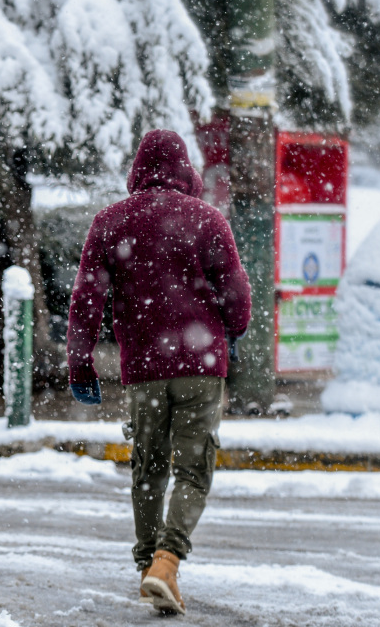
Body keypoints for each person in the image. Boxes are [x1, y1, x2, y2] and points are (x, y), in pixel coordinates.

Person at [66, 130, 252, 615]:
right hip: (200, 365)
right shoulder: (208, 220)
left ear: (138, 169)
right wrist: (231, 328)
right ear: (185, 169)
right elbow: (238, 299)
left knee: (148, 469)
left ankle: (149, 564)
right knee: (193, 467)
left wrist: (81, 361)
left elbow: (86, 299)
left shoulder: (110, 222)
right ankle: (166, 564)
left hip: (144, 369)